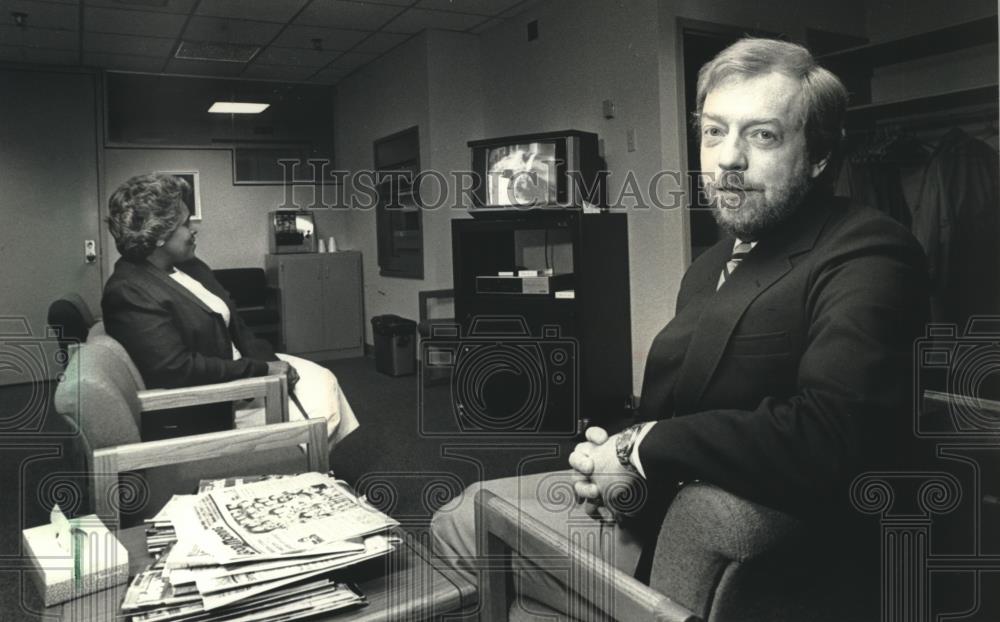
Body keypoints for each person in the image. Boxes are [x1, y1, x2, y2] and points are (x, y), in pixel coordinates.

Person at [431, 37, 930, 617]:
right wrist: (613, 461)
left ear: (819, 155)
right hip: (648, 505)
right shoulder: (710, 266)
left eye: (762, 135)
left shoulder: (869, 249)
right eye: (714, 132)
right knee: (465, 509)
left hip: (736, 541)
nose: (728, 159)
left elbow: (832, 432)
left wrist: (643, 448)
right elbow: (681, 401)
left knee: (467, 527)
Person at [102, 173, 359, 443]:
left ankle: (304, 464)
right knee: (321, 400)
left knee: (323, 382)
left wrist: (270, 361)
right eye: (185, 224)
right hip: (215, 401)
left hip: (241, 371)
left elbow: (237, 325)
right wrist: (262, 371)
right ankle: (297, 467)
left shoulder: (190, 267)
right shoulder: (128, 290)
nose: (193, 230)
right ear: (158, 235)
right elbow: (177, 370)